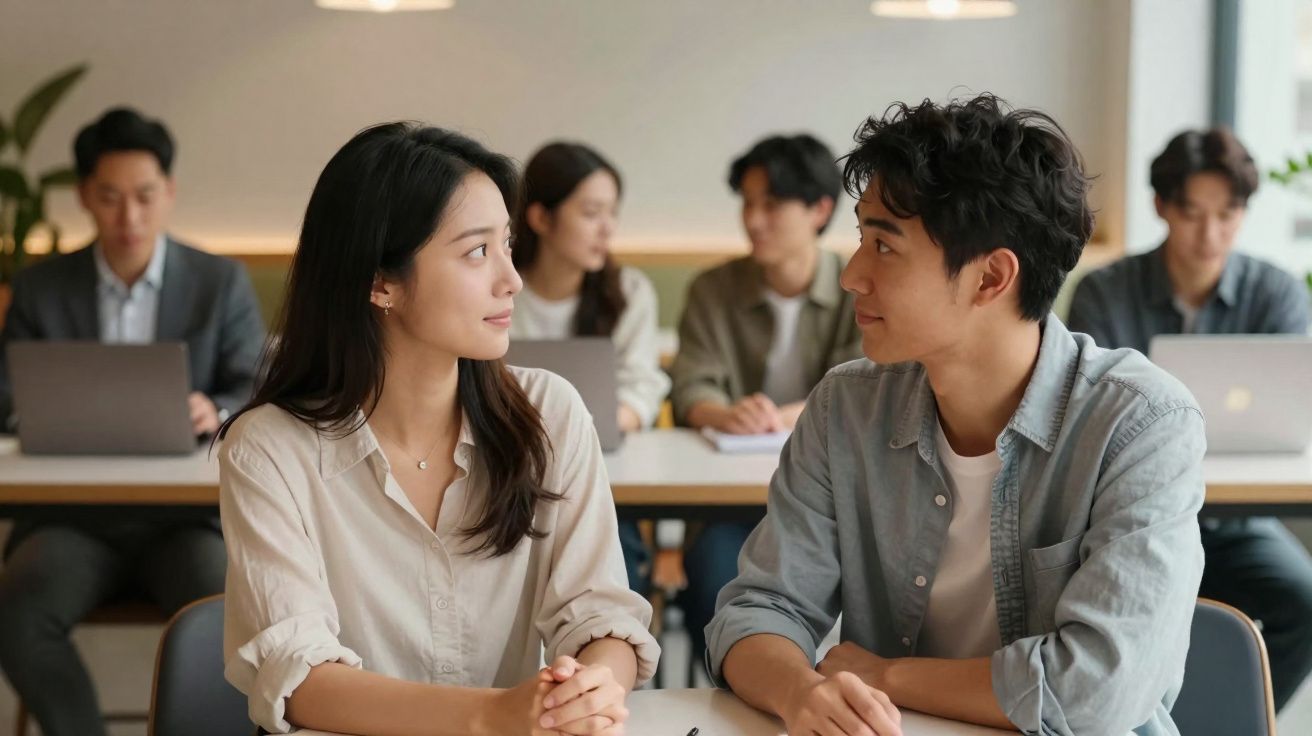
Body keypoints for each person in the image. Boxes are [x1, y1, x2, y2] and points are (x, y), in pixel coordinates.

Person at [707, 95, 1207, 736]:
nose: (852, 275)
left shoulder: (1141, 423)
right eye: (861, 237)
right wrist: (800, 693)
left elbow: (1097, 692)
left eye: (884, 247)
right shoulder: (845, 407)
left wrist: (885, 676)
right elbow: (756, 612)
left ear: (990, 278)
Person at [218, 123, 658, 735]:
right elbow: (301, 679)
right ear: (381, 281)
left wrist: (588, 688)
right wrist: (495, 714)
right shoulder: (267, 448)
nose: (512, 279)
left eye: (507, 245)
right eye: (477, 252)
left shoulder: (550, 415)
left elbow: (600, 619)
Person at [0, 107, 264, 736]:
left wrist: (217, 408)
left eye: (145, 197)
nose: (130, 218)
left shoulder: (218, 282)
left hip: (183, 520)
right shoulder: (42, 287)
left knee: (232, 610)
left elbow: (258, 386)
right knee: (17, 608)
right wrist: (39, 409)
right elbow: (5, 393)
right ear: (86, 197)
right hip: (72, 520)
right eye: (111, 198)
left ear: (169, 193)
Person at [1068, 126, 1312, 711]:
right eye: (1193, 213)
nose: (1211, 234)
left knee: (1303, 602)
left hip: (1233, 523)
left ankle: (1226, 721)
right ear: (1161, 207)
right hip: (1126, 519)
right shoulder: (1104, 292)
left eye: (1228, 215)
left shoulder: (1275, 292)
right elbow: (1086, 417)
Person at [669, 133, 862, 668]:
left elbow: (867, 384)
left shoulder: (860, 288)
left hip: (830, 503)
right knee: (714, 576)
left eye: (771, 205)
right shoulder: (714, 288)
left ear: (820, 209)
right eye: (747, 203)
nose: (753, 220)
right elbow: (692, 385)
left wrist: (789, 417)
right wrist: (726, 413)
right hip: (728, 502)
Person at [509, 141, 671, 595]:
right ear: (541, 218)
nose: (607, 229)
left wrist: (604, 424)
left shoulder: (630, 292)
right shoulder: (498, 289)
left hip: (604, 473)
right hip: (505, 477)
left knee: (615, 562)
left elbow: (642, 387)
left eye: (612, 213)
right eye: (591, 213)